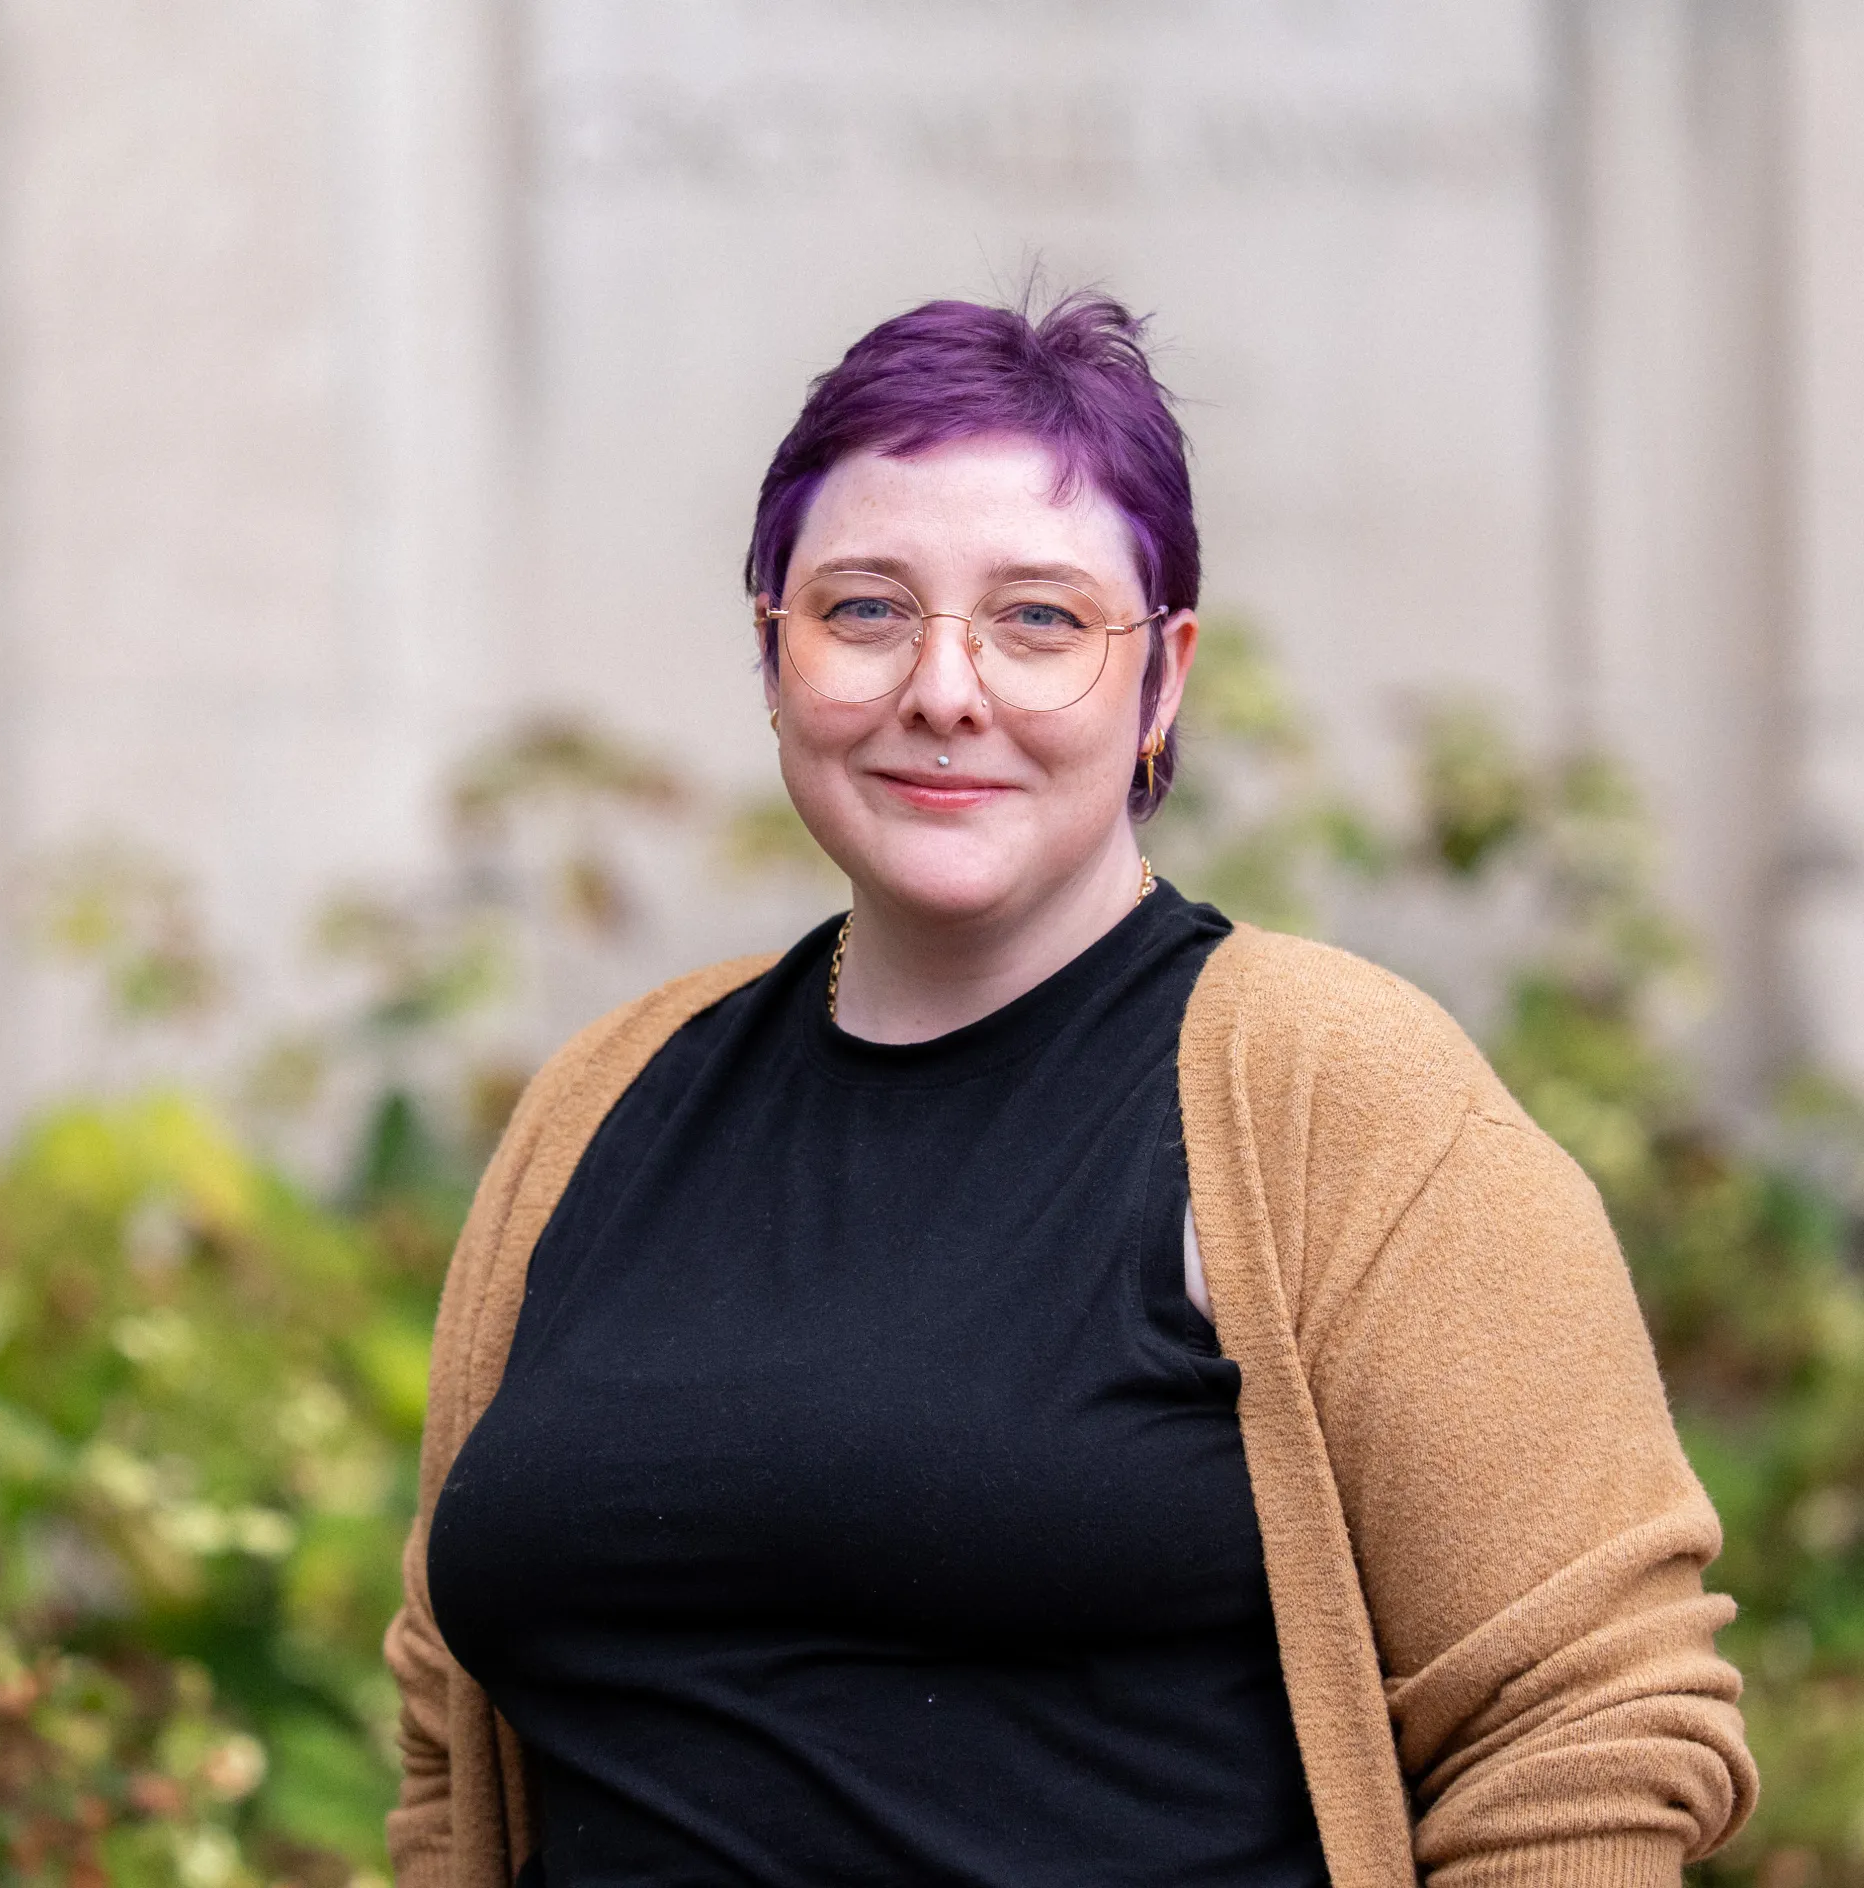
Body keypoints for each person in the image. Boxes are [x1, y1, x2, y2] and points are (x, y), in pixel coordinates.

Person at [385, 294, 1757, 1888]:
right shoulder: (602, 1105)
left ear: (1163, 677)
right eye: (866, 609)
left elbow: (1584, 1726)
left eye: (1039, 619)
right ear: (772, 648)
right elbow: (449, 1745)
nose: (945, 690)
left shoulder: (1334, 1096)